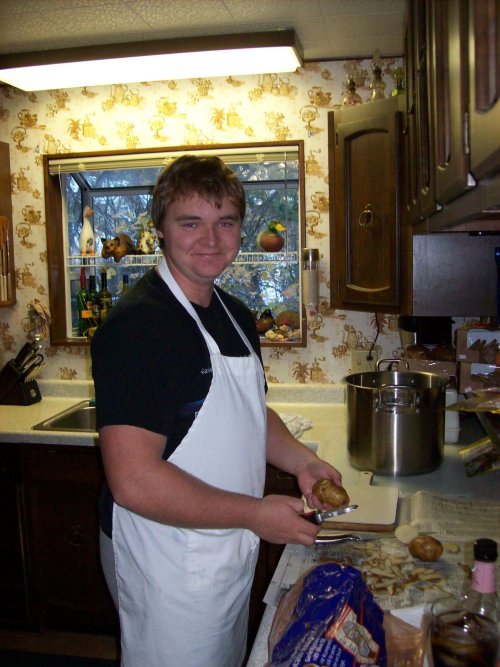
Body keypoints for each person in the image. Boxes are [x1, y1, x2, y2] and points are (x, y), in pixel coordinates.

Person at [91, 155, 342, 667]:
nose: (211, 238)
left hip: (225, 543)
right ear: (159, 227)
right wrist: (254, 514)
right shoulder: (139, 327)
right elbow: (134, 482)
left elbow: (249, 411)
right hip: (167, 555)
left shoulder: (234, 312)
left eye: (224, 222)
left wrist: (302, 462)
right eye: (191, 223)